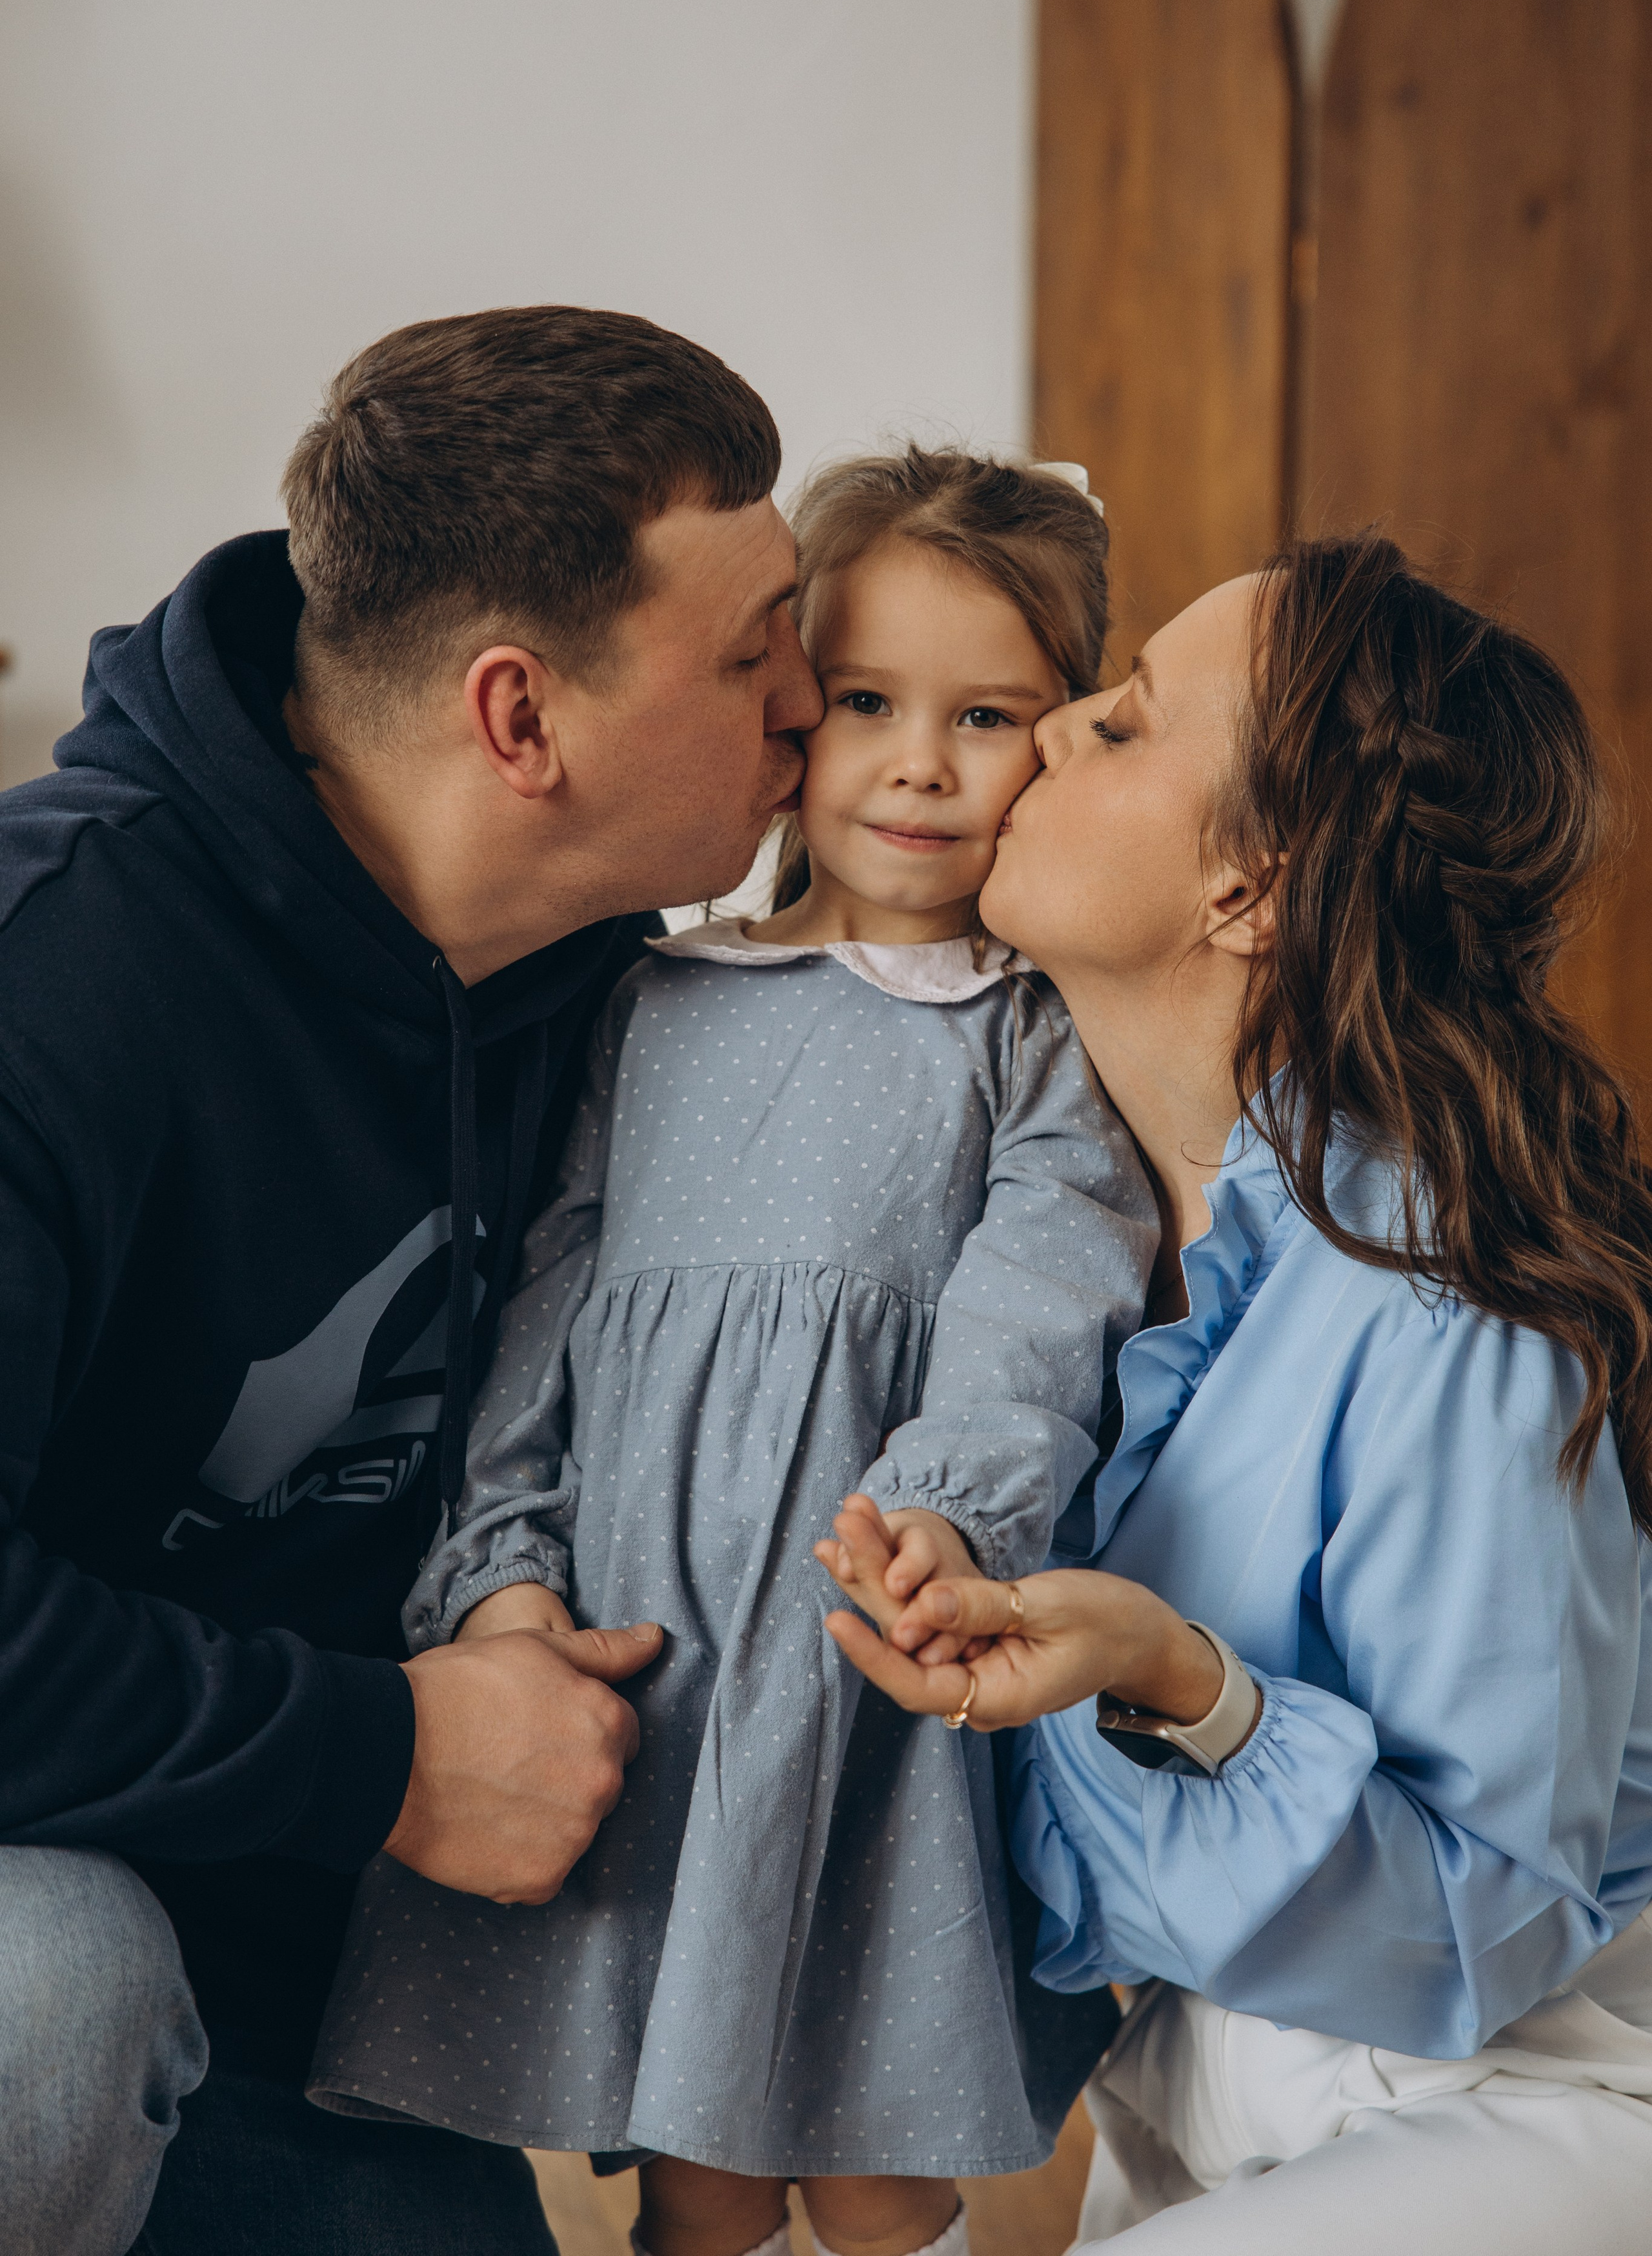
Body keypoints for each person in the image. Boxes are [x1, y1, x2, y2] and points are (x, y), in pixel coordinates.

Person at [0, 305, 821, 2256]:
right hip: (60, 1889)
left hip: (311, 1955)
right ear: (519, 719)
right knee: (57, 1991)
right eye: (754, 653)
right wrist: (385, 1757)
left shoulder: (625, 1000)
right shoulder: (48, 986)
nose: (812, 698)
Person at [309, 448, 1160, 2256]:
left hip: (868, 1631)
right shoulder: (658, 994)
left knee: (874, 2154)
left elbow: (1046, 1294)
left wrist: (947, 1511)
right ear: (789, 714)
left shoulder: (1031, 1033)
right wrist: (502, 1559)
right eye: (865, 702)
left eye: (987, 716)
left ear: (1061, 737)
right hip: (657, 1635)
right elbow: (550, 1297)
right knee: (693, 2151)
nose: (920, 764)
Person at [818, 533, 1652, 2255]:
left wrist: (1174, 1676)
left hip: (1527, 2094)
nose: (1051, 727)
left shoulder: (1450, 1306)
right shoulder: (1069, 1244)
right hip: (1211, 2084)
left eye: (1121, 723)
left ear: (1252, 894)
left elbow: (1489, 1924)